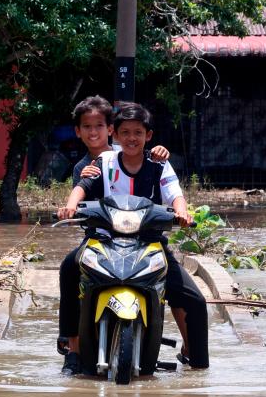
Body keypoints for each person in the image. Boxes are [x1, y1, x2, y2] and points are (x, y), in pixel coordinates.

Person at [57, 102, 210, 375]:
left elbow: (175, 194)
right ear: (115, 135)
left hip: (150, 243)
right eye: (125, 133)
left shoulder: (159, 164)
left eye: (138, 133)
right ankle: (73, 350)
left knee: (195, 300)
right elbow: (83, 187)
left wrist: (183, 213)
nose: (131, 138)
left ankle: (196, 362)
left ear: (148, 136)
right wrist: (70, 205)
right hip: (103, 239)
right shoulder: (103, 162)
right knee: (69, 267)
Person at [69, 95, 169, 185]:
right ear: (78, 131)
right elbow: (81, 203)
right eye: (87, 126)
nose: (93, 132)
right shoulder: (80, 168)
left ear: (110, 129)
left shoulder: (127, 150)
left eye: (99, 125)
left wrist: (158, 151)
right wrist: (85, 181)